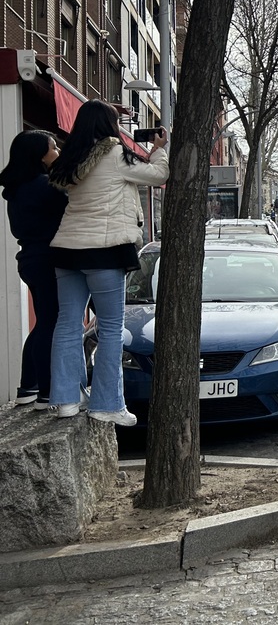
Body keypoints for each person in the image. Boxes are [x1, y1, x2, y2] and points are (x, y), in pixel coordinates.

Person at [47, 101, 169, 426]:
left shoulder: (71, 156)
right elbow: (159, 174)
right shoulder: (116, 155)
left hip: (67, 250)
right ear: (109, 128)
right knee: (112, 328)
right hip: (104, 251)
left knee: (68, 323)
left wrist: (106, 109)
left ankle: (65, 400)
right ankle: (106, 404)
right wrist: (158, 148)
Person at [0, 130, 67, 409]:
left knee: (43, 324)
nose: (58, 152)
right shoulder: (44, 185)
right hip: (48, 260)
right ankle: (47, 392)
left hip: (29, 260)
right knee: (50, 324)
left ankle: (29, 386)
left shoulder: (17, 189)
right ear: (41, 155)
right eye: (54, 148)